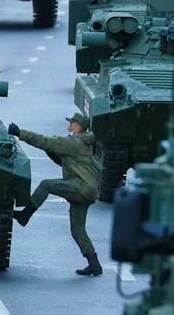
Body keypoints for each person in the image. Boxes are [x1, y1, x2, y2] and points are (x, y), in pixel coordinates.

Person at [8, 113, 103, 276]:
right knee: (78, 230)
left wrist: (20, 133)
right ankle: (94, 263)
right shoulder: (82, 143)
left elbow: (45, 141)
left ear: (78, 126)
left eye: (72, 123)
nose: (69, 125)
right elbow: (62, 160)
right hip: (87, 190)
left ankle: (25, 215)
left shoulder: (75, 142)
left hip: (81, 187)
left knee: (47, 185)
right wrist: (50, 150)